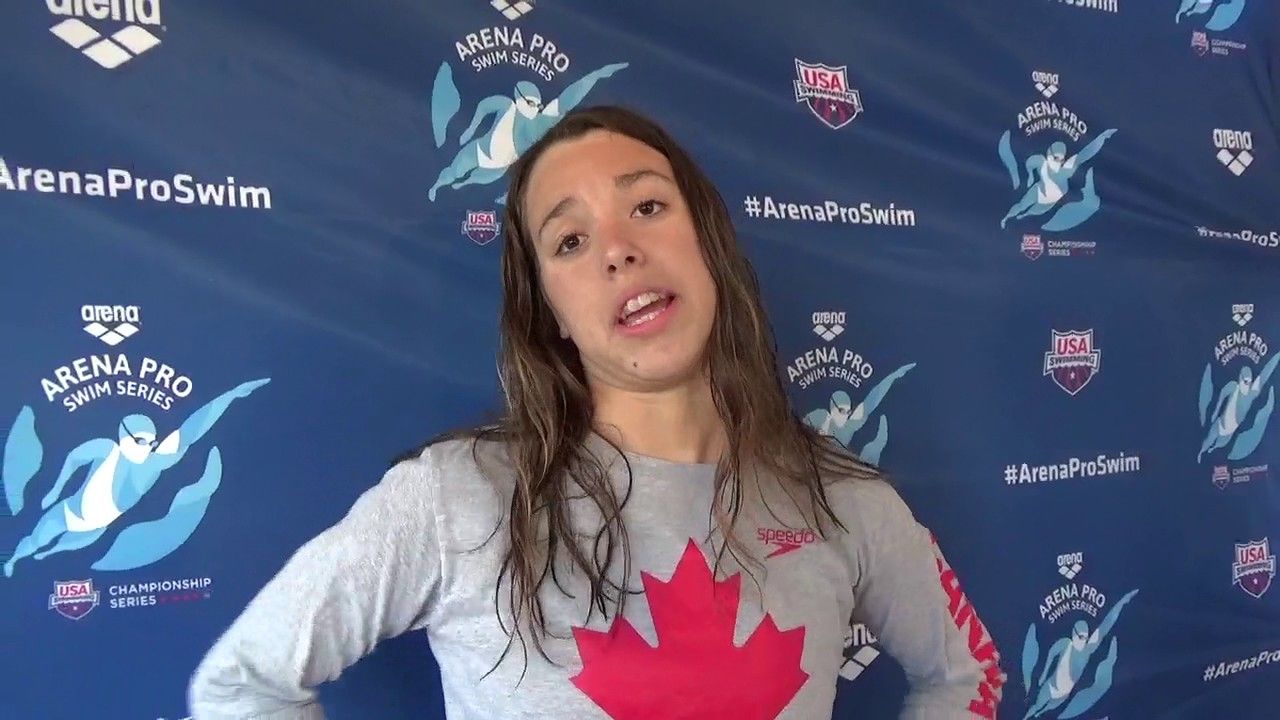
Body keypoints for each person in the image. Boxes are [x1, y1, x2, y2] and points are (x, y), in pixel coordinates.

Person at [187, 105, 1004, 719]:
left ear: (708, 241)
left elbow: (966, 675)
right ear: (550, 311)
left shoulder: (843, 499)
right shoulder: (456, 498)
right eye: (570, 241)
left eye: (647, 207)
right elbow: (242, 684)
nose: (618, 249)